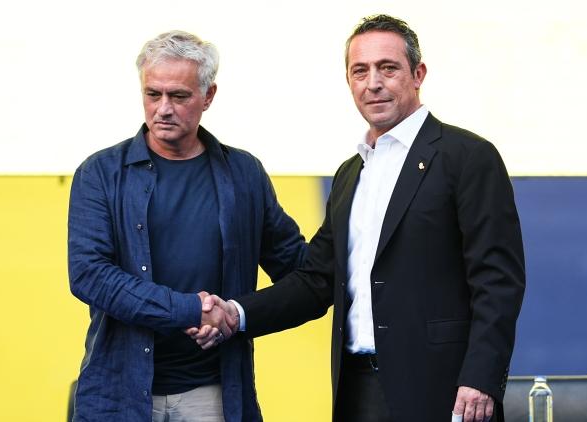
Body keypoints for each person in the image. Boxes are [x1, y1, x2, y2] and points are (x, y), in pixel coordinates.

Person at [193, 14, 526, 422]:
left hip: (445, 391)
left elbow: (498, 282)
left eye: (388, 68)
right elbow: (316, 280)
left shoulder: (468, 157)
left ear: (418, 74)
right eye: (360, 71)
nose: (373, 83)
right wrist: (235, 314)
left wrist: (481, 378)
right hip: (356, 390)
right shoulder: (351, 174)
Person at [67, 30, 306, 422]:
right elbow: (89, 275)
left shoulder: (244, 174)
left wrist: (235, 315)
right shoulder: (100, 174)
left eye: (179, 96)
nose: (163, 108)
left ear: (208, 96)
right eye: (152, 94)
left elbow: (300, 273)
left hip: (212, 395)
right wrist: (190, 310)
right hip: (119, 395)